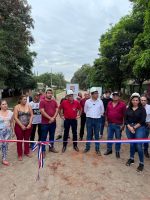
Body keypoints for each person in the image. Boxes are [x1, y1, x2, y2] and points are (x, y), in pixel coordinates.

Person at [125, 93, 146, 172]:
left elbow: (142, 120)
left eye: (137, 100)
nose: (135, 101)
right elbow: (125, 119)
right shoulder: (128, 108)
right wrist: (129, 127)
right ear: (131, 100)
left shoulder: (142, 109)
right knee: (132, 144)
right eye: (133, 100)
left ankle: (141, 163)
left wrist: (134, 127)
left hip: (139, 127)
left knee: (138, 145)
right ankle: (131, 158)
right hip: (129, 127)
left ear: (139, 101)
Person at [104, 91, 126, 158]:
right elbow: (106, 113)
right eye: (114, 95)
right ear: (112, 96)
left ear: (119, 97)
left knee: (118, 138)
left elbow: (125, 115)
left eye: (116, 95)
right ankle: (109, 150)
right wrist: (106, 121)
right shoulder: (109, 103)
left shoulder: (123, 104)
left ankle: (117, 151)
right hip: (110, 124)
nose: (115, 96)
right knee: (109, 138)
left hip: (118, 125)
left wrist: (123, 124)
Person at [83, 87, 104, 155]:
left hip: (98, 120)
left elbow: (102, 111)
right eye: (95, 93)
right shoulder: (87, 101)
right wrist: (91, 115)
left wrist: (97, 115)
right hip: (89, 119)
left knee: (97, 135)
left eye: (97, 93)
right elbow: (85, 111)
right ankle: (87, 147)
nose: (97, 95)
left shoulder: (100, 101)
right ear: (91, 94)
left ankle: (97, 149)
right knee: (89, 134)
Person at [40, 88, 59, 156]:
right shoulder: (42, 101)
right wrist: (50, 118)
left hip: (53, 122)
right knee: (44, 137)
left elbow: (57, 109)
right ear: (45, 94)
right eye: (48, 93)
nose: (50, 94)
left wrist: (53, 118)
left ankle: (51, 147)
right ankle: (43, 150)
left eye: (51, 93)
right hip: (45, 123)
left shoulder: (54, 101)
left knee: (52, 135)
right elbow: (42, 111)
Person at [14, 95, 33, 161]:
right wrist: (21, 125)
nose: (25, 100)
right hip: (19, 126)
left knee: (27, 139)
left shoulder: (29, 106)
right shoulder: (16, 107)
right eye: (24, 99)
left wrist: (30, 124)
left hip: (28, 126)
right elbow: (15, 117)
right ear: (20, 100)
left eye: (26, 99)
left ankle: (27, 151)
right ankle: (19, 154)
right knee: (19, 140)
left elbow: (31, 115)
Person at [0, 100, 14, 166]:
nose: (5, 105)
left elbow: (11, 122)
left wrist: (13, 131)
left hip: (8, 132)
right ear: (0, 106)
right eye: (3, 104)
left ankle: (4, 159)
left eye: (6, 104)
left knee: (5, 145)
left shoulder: (10, 113)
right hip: (0, 132)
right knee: (0, 145)